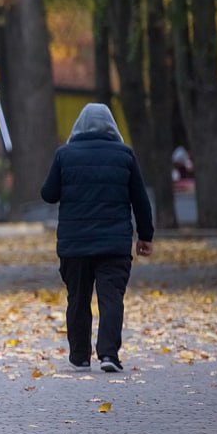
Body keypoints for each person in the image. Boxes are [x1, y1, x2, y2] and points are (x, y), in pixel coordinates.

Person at [41, 102, 154, 373]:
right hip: (114, 244)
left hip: (74, 243)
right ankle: (108, 355)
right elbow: (140, 199)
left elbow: (48, 194)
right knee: (111, 297)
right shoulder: (125, 156)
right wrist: (145, 236)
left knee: (78, 298)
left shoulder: (64, 155)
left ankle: (80, 357)